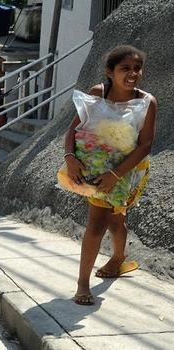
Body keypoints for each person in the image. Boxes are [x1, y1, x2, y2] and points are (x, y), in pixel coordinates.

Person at [64, 45, 157, 306]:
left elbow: (145, 145)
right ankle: (86, 281)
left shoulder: (148, 102)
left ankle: (115, 260)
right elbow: (73, 130)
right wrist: (70, 159)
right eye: (125, 68)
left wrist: (116, 174)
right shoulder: (98, 93)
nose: (133, 73)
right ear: (110, 71)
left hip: (128, 170)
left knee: (113, 218)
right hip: (94, 168)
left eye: (137, 68)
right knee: (102, 221)